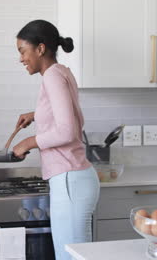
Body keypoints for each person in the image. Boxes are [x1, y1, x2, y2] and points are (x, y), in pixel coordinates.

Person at [12, 20, 100, 260]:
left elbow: (67, 131)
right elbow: (67, 115)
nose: (21, 58)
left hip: (70, 179)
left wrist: (28, 142)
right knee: (74, 254)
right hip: (74, 178)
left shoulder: (51, 76)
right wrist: (36, 115)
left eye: (22, 51)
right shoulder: (61, 72)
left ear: (40, 49)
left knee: (69, 256)